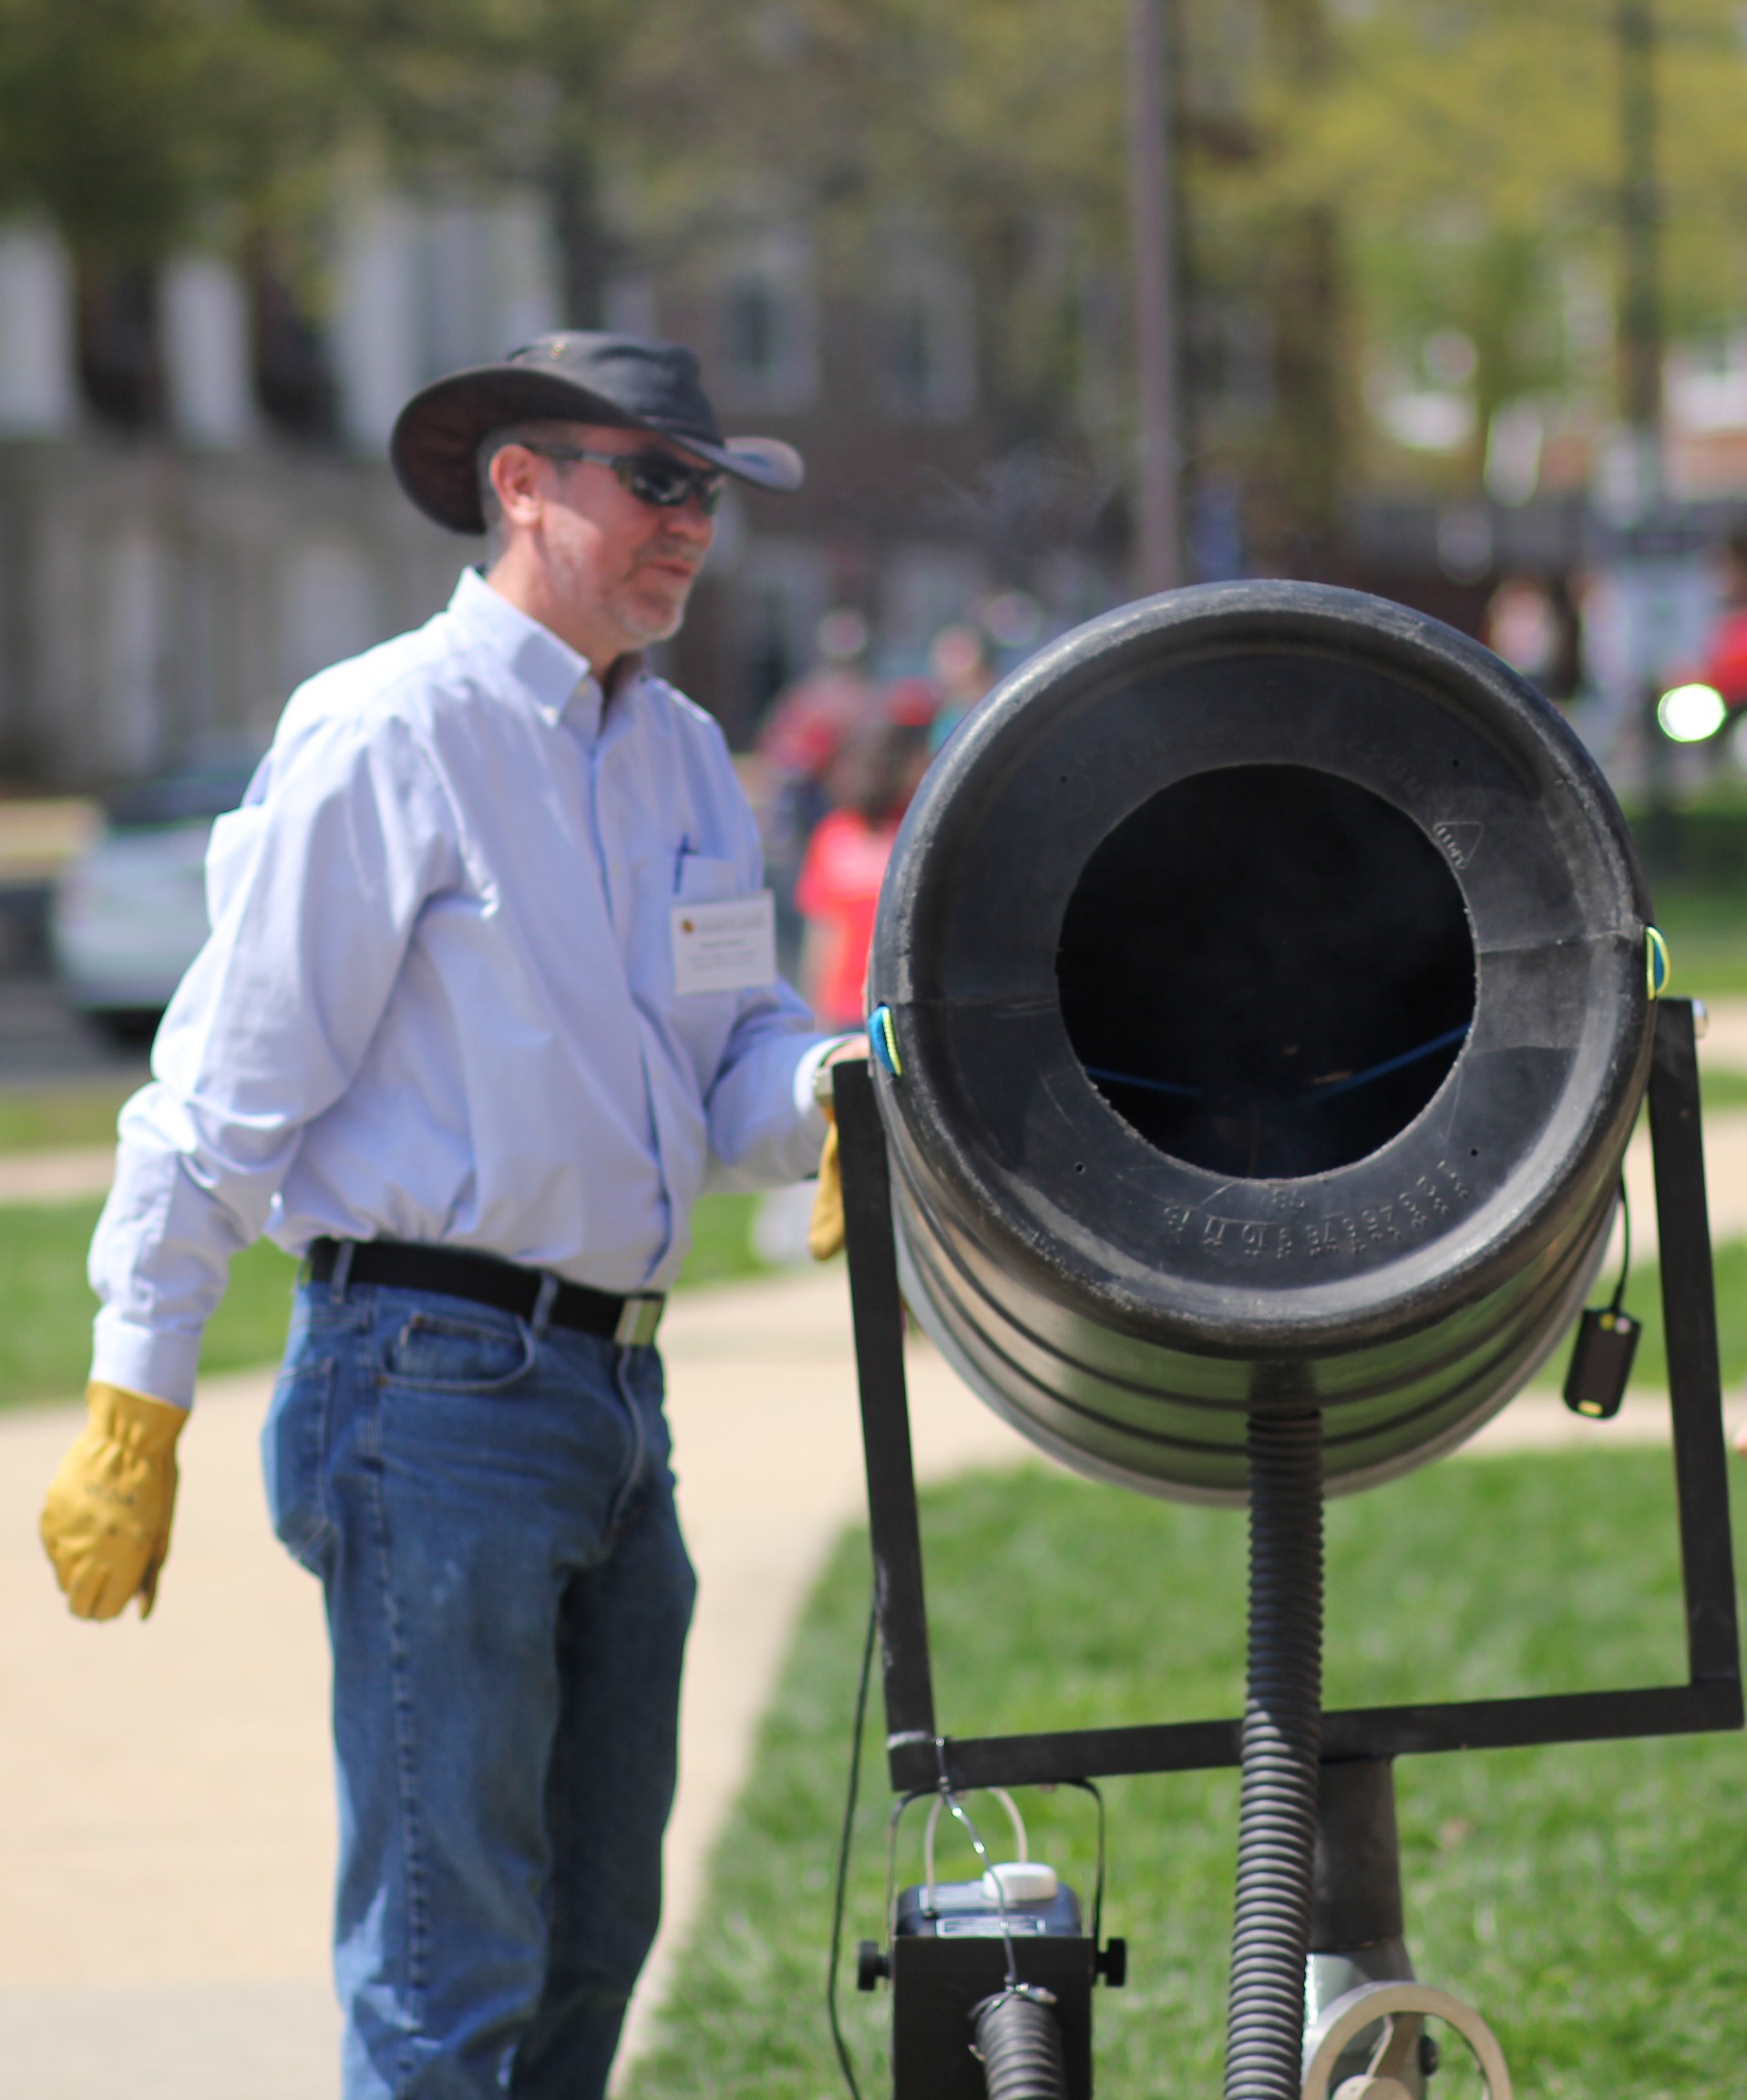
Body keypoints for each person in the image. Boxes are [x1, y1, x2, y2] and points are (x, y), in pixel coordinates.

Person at [36, 331, 864, 2100]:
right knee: (448, 1970)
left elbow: (731, 1064)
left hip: (611, 1403)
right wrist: (138, 1392)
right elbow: (226, 1090)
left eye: (703, 493)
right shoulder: (384, 730)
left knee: (587, 1947)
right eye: (651, 480)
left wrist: (824, 1098)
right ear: (518, 481)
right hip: (427, 1390)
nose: (686, 526)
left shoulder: (686, 756)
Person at [795, 702, 933, 1029]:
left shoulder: (833, 836)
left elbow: (823, 939)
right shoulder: (915, 835)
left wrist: (816, 1015)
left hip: (846, 1007)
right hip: (903, 1003)